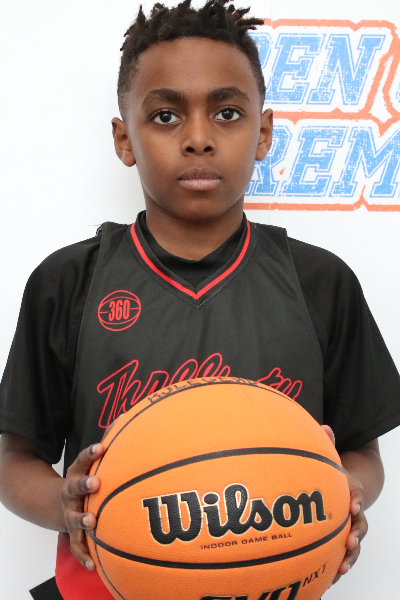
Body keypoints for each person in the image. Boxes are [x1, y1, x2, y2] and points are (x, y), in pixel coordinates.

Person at [0, 1, 399, 598]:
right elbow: (13, 461)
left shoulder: (320, 282)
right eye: (164, 116)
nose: (197, 139)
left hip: (271, 580)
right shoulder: (69, 281)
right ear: (124, 139)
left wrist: (344, 496)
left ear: (263, 133)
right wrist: (66, 505)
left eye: (227, 113)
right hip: (100, 588)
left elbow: (361, 451)